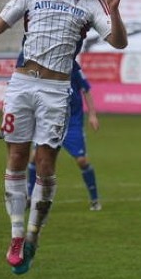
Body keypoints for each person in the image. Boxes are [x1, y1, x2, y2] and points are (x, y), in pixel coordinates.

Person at [0, 0, 127, 275]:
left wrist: (115, 11)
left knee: (45, 164)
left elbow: (119, 42)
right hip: (22, 84)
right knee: (17, 158)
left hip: (56, 90)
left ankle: (35, 232)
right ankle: (17, 235)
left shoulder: (92, 4)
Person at [28, 60, 102, 211]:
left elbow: (86, 90)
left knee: (82, 161)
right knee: (35, 157)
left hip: (72, 123)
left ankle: (94, 200)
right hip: (51, 121)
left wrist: (92, 115)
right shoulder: (46, 64)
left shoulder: (73, 67)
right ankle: (30, 197)